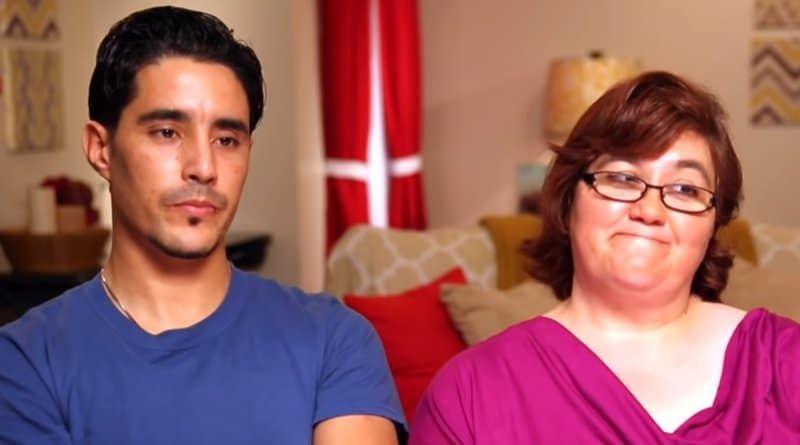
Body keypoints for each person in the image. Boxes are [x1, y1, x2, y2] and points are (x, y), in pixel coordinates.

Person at [0, 6, 404, 444]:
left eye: (226, 140)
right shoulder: (26, 361)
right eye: (167, 132)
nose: (204, 167)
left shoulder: (334, 340)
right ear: (101, 149)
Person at [409, 71, 800, 443]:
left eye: (685, 189)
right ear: (568, 201)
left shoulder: (785, 360)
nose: (650, 211)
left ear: (713, 225)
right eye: (623, 179)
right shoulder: (470, 393)